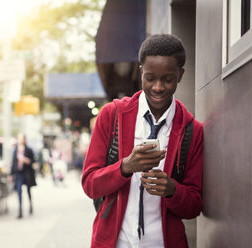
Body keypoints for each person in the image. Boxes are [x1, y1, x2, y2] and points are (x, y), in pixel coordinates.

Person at [82, 34, 203, 248]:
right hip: (113, 242)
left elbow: (194, 206)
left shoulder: (192, 131)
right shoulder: (111, 115)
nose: (158, 87)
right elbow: (90, 184)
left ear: (180, 75)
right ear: (140, 73)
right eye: (150, 78)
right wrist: (125, 167)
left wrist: (173, 189)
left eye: (167, 79)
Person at [10, 133, 37, 218]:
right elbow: (13, 163)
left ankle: (30, 205)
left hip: (27, 173)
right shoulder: (15, 150)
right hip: (19, 173)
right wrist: (11, 174)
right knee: (19, 191)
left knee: (28, 190)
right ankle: (20, 210)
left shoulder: (28, 150)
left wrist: (26, 160)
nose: (21, 140)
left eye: (22, 138)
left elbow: (33, 161)